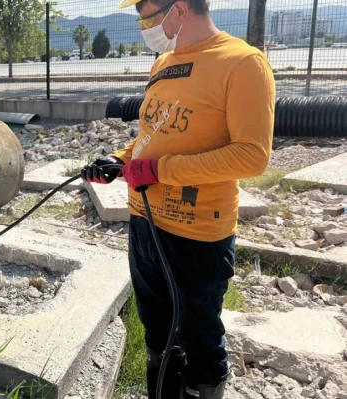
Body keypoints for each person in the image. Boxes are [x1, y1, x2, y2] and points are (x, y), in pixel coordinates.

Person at [82, 0, 275, 397]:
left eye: (148, 12)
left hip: (197, 234)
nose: (142, 22)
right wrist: (120, 160)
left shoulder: (242, 63)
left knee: (200, 343)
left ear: (181, 8)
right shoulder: (163, 63)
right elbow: (154, 135)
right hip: (145, 224)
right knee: (157, 334)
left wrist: (159, 171)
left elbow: (252, 155)